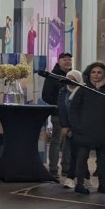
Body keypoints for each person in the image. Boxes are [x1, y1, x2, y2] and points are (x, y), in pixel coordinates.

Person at [69, 62, 105, 195]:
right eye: (93, 72)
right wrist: (76, 126)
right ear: (89, 74)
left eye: (99, 72)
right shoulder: (82, 89)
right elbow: (74, 109)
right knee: (82, 157)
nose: (96, 75)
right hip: (84, 130)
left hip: (104, 130)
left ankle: (102, 185)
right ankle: (79, 184)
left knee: (102, 159)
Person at [42, 52, 74, 181]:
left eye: (69, 60)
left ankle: (66, 167)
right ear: (59, 61)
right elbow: (46, 96)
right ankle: (53, 168)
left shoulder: (73, 76)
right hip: (58, 114)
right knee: (56, 141)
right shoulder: (52, 76)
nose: (67, 62)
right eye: (64, 60)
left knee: (68, 141)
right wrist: (60, 104)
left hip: (71, 114)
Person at [57, 69, 84, 189]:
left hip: (81, 126)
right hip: (69, 126)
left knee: (81, 153)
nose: (70, 81)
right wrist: (65, 125)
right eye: (68, 79)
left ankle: (82, 177)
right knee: (73, 152)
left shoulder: (83, 91)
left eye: (73, 79)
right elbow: (62, 109)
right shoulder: (63, 91)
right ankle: (71, 177)